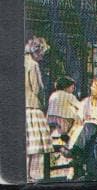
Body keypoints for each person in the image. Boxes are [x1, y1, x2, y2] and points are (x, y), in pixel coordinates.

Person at [25, 37, 53, 183]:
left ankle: (25, 174)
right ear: (37, 51)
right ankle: (32, 175)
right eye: (42, 53)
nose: (43, 56)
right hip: (33, 106)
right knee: (35, 145)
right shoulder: (33, 64)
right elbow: (37, 88)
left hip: (21, 107)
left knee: (26, 143)